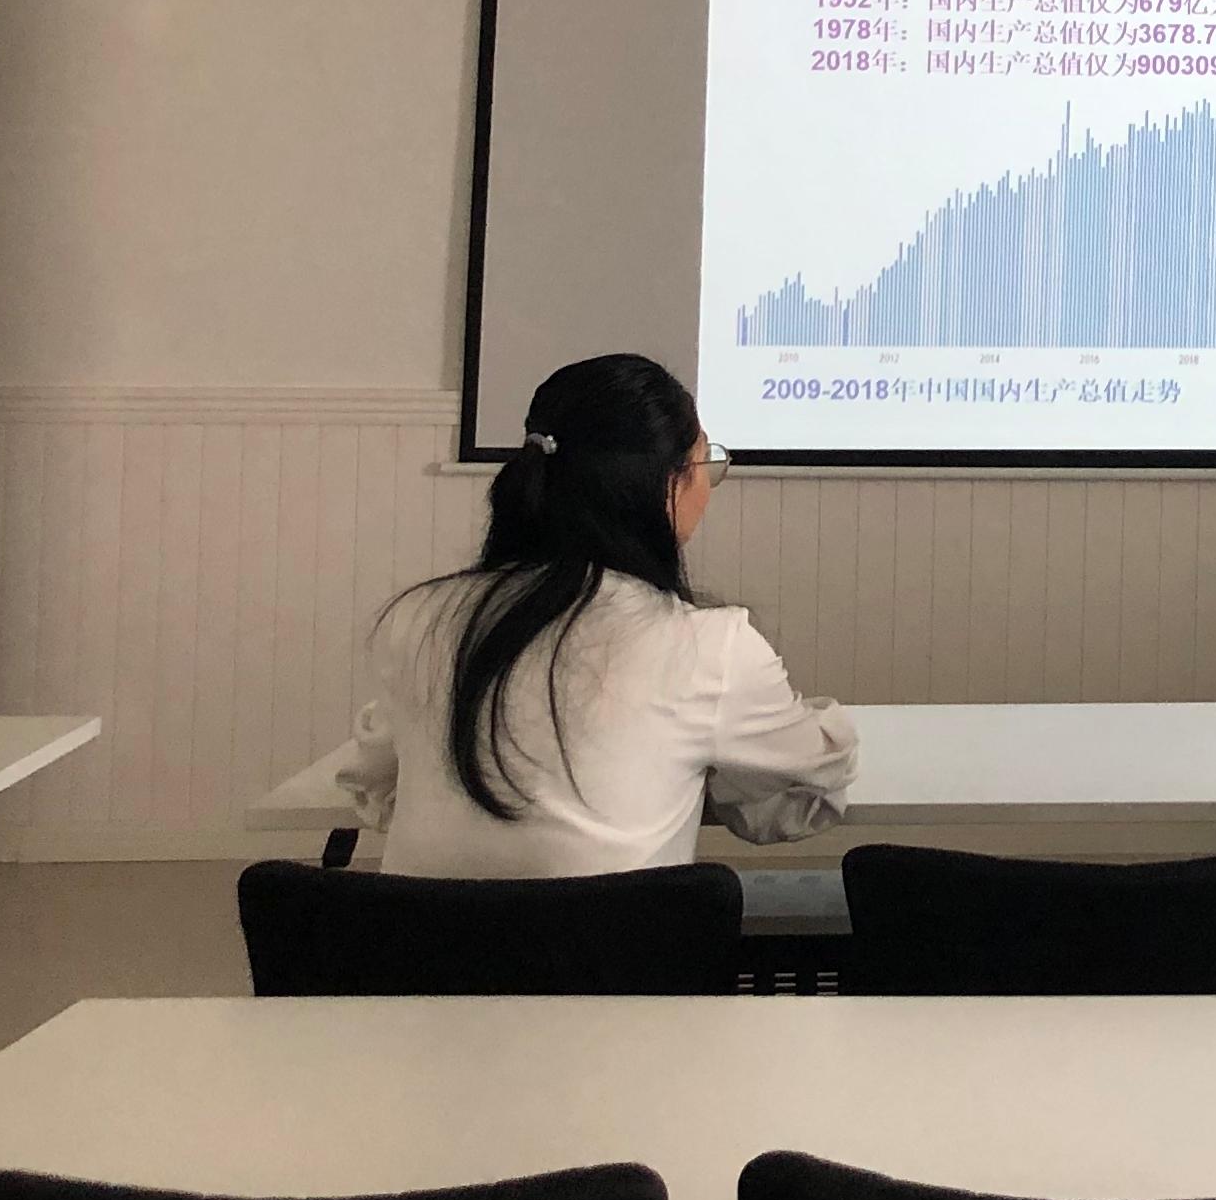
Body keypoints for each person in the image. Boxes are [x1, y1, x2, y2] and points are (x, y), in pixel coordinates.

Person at [336, 353, 858, 876]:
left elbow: (376, 783)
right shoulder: (708, 644)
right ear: (666, 485)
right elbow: (812, 783)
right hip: (618, 932)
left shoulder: (419, 619)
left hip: (421, 931)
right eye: (707, 465)